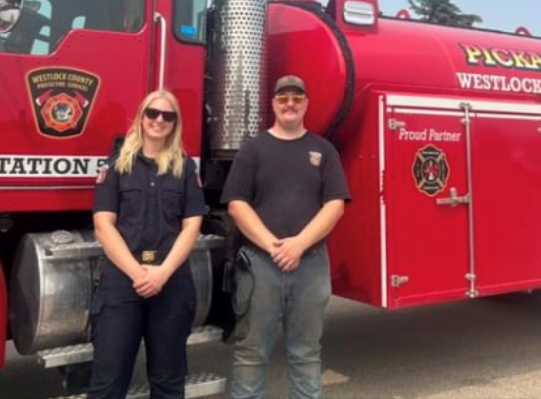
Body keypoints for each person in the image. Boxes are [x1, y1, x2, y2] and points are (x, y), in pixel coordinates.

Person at [221, 75, 351, 399]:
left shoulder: (324, 150)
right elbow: (237, 205)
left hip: (310, 264)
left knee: (306, 354)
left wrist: (299, 244)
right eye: (283, 98)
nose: (290, 104)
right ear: (273, 104)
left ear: (306, 103)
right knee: (251, 353)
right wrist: (273, 245)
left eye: (296, 98)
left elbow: (335, 205)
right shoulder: (254, 148)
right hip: (260, 265)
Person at [88, 90, 208, 399]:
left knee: (168, 385)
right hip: (122, 281)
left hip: (171, 280)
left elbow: (192, 225)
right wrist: (138, 274)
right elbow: (104, 226)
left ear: (175, 123)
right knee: (107, 385)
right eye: (153, 113)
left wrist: (162, 273)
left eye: (168, 116)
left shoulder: (185, 169)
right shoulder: (115, 165)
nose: (159, 120)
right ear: (141, 117)